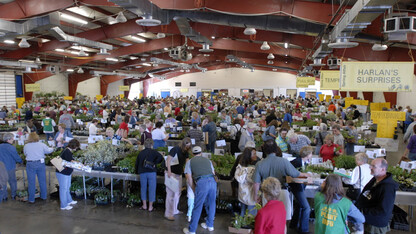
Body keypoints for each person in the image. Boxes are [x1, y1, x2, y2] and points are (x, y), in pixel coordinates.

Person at [253, 140, 311, 220]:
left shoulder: (259, 164)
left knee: (269, 219)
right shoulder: (284, 161)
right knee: (282, 221)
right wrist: (305, 174)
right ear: (276, 149)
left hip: (267, 194)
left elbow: (256, 183)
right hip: (281, 192)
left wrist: (256, 196)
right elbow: (295, 174)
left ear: (264, 150)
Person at [356, 158, 398, 234]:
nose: (370, 168)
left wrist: (362, 211)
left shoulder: (388, 187)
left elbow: (383, 210)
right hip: (367, 220)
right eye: (370, 165)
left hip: (375, 225)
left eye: (373, 166)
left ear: (383, 169)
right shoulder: (375, 179)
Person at [183, 146, 217, 234]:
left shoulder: (189, 162)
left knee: (198, 206)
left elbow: (189, 178)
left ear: (192, 153)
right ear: (201, 153)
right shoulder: (208, 161)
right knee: (212, 203)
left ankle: (192, 230)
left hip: (202, 182)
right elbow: (213, 173)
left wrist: (194, 189)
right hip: (212, 181)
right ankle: (210, 225)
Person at [165, 138, 192, 221]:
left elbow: (187, 163)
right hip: (171, 173)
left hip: (178, 173)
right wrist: (169, 172)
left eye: (189, 147)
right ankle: (168, 214)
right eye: (187, 146)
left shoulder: (186, 152)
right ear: (183, 144)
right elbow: (168, 160)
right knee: (170, 194)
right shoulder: (175, 149)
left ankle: (175, 210)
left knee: (177, 192)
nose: (188, 148)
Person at [24, 132, 54, 203]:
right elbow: (48, 151)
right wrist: (52, 147)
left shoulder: (26, 146)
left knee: (31, 182)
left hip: (30, 164)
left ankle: (31, 199)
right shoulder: (41, 145)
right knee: (42, 181)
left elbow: (25, 153)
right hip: (40, 163)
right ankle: (44, 197)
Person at [289, 146, 313, 234]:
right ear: (307, 154)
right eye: (311, 153)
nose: (311, 155)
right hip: (296, 187)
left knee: (299, 205)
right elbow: (293, 174)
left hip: (299, 186)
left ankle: (293, 224)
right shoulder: (296, 162)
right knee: (306, 207)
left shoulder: (303, 162)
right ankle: (304, 230)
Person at [135, 138, 163, 212]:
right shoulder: (154, 152)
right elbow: (161, 157)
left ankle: (144, 205)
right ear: (152, 145)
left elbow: (137, 164)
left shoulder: (141, 153)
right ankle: (150, 207)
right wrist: (154, 163)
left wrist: (136, 171)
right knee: (152, 189)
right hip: (152, 172)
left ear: (144, 145)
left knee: (143, 188)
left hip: (142, 173)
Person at [56, 139, 80, 210]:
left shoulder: (67, 151)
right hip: (62, 173)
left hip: (66, 172)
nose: (76, 148)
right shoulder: (67, 152)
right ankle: (63, 205)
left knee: (67, 187)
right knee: (63, 188)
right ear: (74, 146)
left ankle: (69, 200)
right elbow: (71, 161)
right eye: (76, 147)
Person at [234, 147, 257, 217]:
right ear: (249, 155)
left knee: (243, 212)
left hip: (242, 193)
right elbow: (255, 181)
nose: (256, 155)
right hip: (251, 194)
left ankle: (242, 226)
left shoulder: (240, 168)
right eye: (254, 154)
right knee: (251, 214)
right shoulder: (252, 169)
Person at [0, 133, 23, 200]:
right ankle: (13, 195)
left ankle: (4, 197)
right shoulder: (11, 147)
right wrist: (21, 161)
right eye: (12, 138)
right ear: (8, 139)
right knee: (12, 181)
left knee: (3, 182)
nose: (13, 140)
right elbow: (16, 157)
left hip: (1, 168)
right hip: (9, 167)